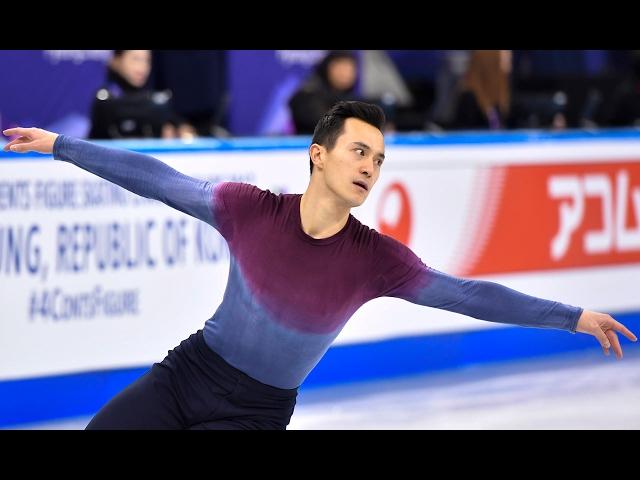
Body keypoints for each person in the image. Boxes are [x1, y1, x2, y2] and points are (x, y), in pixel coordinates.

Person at [3, 101, 637, 430]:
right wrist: (62, 146)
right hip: (187, 375)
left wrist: (572, 316)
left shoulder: (376, 261)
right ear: (318, 155)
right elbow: (161, 180)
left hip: (254, 414)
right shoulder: (248, 209)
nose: (369, 167)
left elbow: (466, 295)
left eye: (379, 160)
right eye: (359, 151)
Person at [88, 50, 196, 140]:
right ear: (116, 61)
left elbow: (182, 128)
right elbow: (111, 107)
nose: (142, 67)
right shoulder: (105, 97)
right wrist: (159, 107)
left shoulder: (155, 99)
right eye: (135, 59)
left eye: (147, 60)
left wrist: (179, 128)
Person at [289, 50, 360, 134]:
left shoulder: (350, 97)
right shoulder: (308, 94)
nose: (346, 73)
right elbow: (325, 124)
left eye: (350, 68)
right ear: (327, 67)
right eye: (341, 66)